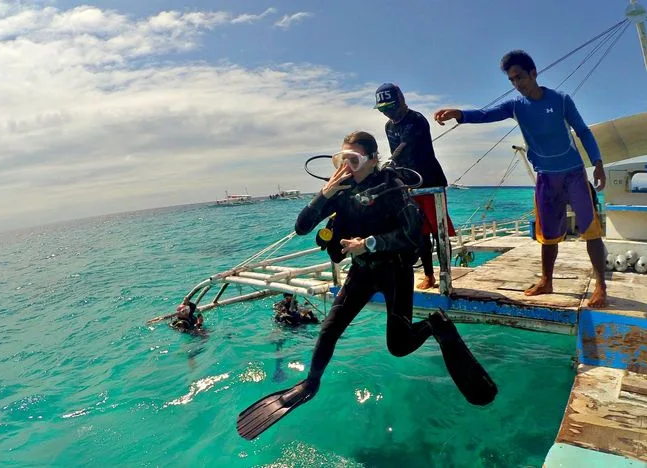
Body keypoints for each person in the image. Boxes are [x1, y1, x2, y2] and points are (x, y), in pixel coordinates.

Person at [236, 131, 497, 441]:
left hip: (395, 270)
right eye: (342, 159)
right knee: (328, 329)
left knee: (398, 347)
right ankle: (310, 384)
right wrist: (325, 193)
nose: (347, 166)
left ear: (373, 160)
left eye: (354, 160)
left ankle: (435, 324)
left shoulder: (392, 187)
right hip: (361, 271)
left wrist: (370, 243)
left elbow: (412, 235)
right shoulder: (340, 191)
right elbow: (302, 227)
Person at [433, 50, 607, 308]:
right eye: (512, 80)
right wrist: (459, 113)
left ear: (533, 73)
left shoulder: (560, 100)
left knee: (590, 230)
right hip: (546, 177)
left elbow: (582, 130)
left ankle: (601, 286)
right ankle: (547, 280)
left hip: (573, 173)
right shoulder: (516, 106)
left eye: (520, 77)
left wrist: (598, 164)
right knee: (547, 234)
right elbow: (485, 114)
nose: (517, 84)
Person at [374, 83, 456, 290]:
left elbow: (405, 144)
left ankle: (446, 272)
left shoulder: (416, 120)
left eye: (390, 107)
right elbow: (396, 150)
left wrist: (390, 161)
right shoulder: (389, 126)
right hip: (408, 183)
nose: (387, 112)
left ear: (401, 101)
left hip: (430, 180)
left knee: (439, 230)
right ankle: (429, 276)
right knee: (419, 232)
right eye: (382, 109)